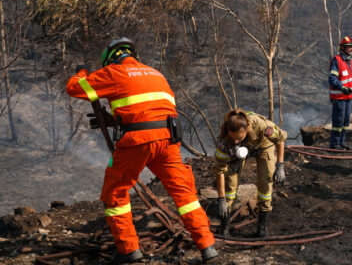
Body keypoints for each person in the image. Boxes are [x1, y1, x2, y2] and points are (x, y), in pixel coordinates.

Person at [66, 38, 218, 263]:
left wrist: (81, 72)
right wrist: (115, 120)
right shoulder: (156, 73)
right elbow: (150, 110)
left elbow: (74, 89)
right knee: (185, 195)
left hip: (136, 143)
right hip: (168, 141)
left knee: (115, 194)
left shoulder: (113, 72)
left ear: (110, 59)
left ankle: (130, 251)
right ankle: (208, 248)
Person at [212, 109, 287, 237]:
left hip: (263, 145)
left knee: (266, 181)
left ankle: (261, 226)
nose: (235, 141)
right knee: (231, 181)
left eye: (239, 138)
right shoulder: (225, 141)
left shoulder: (262, 126)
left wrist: (280, 165)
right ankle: (224, 227)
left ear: (247, 128)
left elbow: (280, 139)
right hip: (240, 151)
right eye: (233, 138)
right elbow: (220, 170)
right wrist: (221, 199)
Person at [328, 36, 352, 149]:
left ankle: (341, 142)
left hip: (348, 97)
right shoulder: (337, 60)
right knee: (338, 122)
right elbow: (332, 79)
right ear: (343, 48)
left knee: (345, 122)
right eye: (349, 47)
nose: (351, 49)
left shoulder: (350, 62)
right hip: (339, 97)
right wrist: (342, 88)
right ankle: (334, 144)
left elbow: (350, 78)